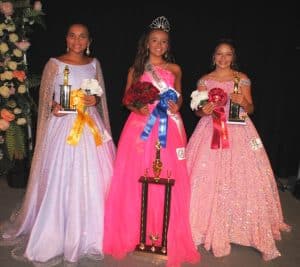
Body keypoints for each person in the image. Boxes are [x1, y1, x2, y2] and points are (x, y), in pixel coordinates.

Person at [0, 23, 116, 265]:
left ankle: (93, 232)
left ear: (89, 41)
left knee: (97, 177)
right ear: (66, 39)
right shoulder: (54, 63)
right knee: (60, 177)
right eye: (72, 36)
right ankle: (56, 232)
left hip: (90, 125)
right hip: (63, 126)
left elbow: (99, 96)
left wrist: (93, 98)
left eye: (82, 36)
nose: (77, 41)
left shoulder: (94, 64)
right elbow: (46, 100)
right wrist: (55, 107)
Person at [103, 16, 200, 267]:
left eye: (163, 42)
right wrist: (139, 107)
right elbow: (126, 99)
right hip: (140, 127)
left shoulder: (175, 69)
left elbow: (178, 100)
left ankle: (163, 230)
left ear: (168, 45)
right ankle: (137, 231)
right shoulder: (136, 70)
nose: (159, 45)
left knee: (168, 176)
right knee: (136, 175)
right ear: (147, 44)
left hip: (169, 126)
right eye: (154, 41)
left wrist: (174, 104)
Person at [186, 38, 291, 260]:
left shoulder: (241, 79)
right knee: (207, 175)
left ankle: (240, 224)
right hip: (209, 131)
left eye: (228, 54)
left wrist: (241, 101)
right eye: (220, 54)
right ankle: (203, 222)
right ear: (213, 56)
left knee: (243, 174)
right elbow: (197, 111)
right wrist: (204, 110)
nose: (223, 58)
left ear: (233, 57)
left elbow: (251, 108)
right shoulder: (204, 81)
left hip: (239, 129)